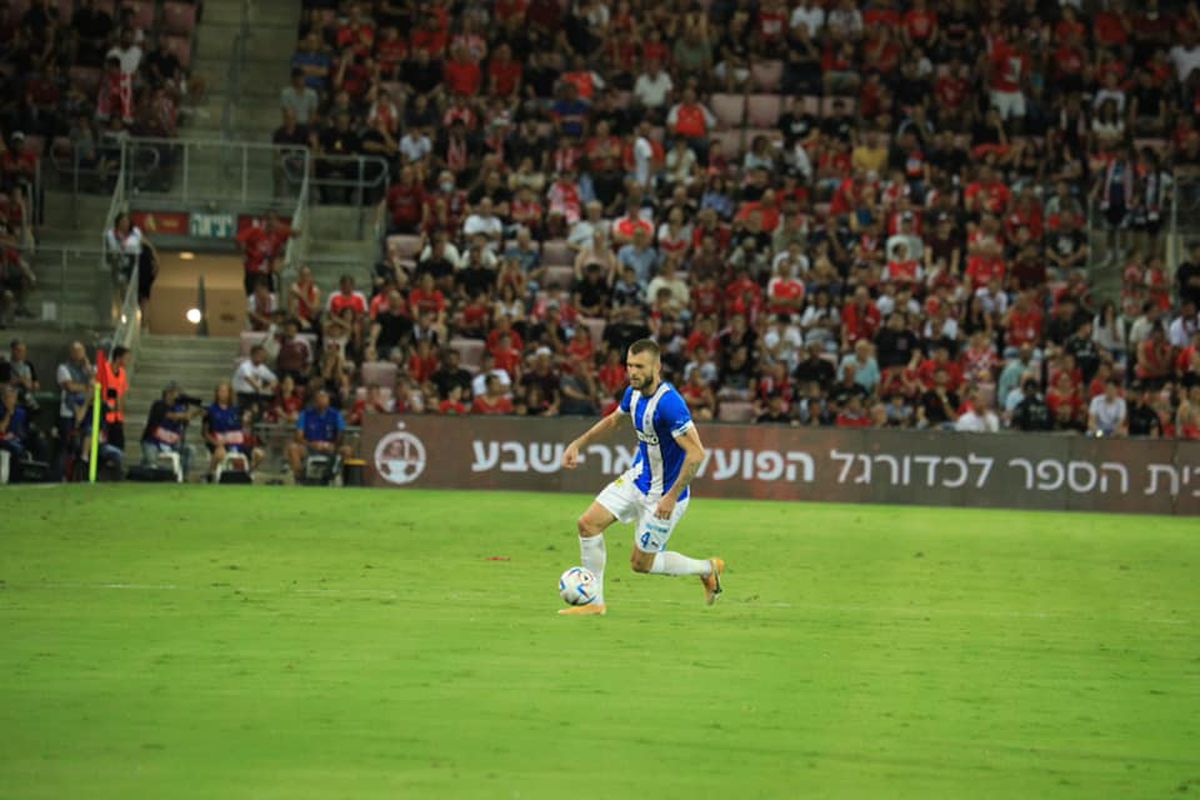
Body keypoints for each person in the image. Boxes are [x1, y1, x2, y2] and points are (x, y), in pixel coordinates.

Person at [558, 338, 723, 617]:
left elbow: (696, 454)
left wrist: (670, 497)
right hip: (637, 479)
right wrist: (578, 443)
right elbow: (613, 420)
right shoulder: (633, 394)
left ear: (656, 367)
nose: (632, 372)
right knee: (587, 524)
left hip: (664, 497)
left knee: (641, 564)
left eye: (639, 366)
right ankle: (594, 602)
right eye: (629, 365)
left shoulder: (670, 404)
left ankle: (707, 569)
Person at [287, 388, 352, 479]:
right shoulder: (305, 414)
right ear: (315, 401)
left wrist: (333, 445)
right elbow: (298, 436)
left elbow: (341, 433)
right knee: (293, 448)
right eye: (319, 398)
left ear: (328, 400)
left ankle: (341, 478)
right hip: (310, 448)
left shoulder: (336, 414)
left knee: (347, 450)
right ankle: (300, 478)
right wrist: (312, 444)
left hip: (331, 447)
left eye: (324, 398)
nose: (322, 401)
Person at [203, 381, 264, 477]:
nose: (223, 393)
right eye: (221, 391)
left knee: (260, 454)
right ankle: (210, 473)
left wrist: (247, 421)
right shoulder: (211, 410)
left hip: (238, 443)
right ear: (217, 393)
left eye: (225, 391)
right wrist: (216, 443)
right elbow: (205, 433)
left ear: (229, 393)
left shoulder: (237, 410)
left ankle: (248, 473)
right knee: (220, 454)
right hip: (221, 443)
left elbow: (244, 425)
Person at [140, 381, 201, 474]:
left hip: (171, 443)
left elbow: (185, 420)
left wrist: (195, 413)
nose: (175, 396)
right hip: (153, 442)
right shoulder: (158, 405)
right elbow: (171, 415)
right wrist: (188, 414)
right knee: (151, 466)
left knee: (190, 450)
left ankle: (183, 475)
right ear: (167, 393)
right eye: (173, 393)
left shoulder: (180, 408)